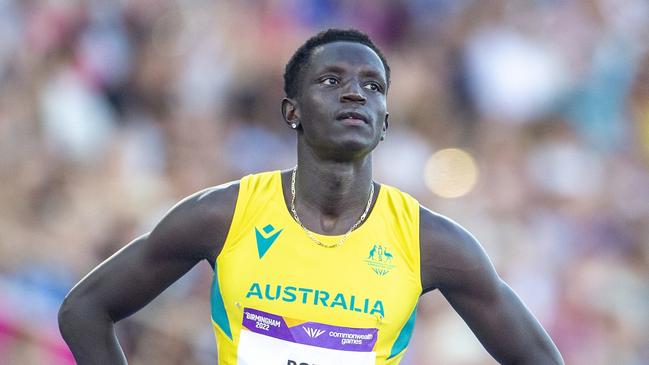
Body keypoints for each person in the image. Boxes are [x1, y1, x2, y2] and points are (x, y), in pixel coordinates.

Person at [58, 28, 564, 365]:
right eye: (331, 80)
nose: (354, 94)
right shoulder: (225, 214)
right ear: (292, 112)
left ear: (385, 123)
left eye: (373, 86)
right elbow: (85, 310)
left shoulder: (431, 243)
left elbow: (538, 359)